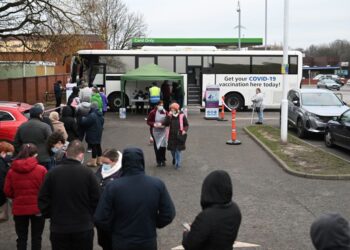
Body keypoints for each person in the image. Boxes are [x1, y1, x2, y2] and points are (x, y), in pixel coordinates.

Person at [94, 147, 176, 250]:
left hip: (121, 240)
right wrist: (154, 224)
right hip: (147, 240)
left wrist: (114, 229)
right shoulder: (157, 184)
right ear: (142, 161)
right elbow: (169, 214)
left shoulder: (113, 187)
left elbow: (100, 217)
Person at [38, 140, 100, 250]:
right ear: (81, 155)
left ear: (66, 153)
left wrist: (49, 214)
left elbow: (43, 197)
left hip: (59, 226)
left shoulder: (52, 173)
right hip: (83, 226)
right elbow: (97, 199)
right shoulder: (88, 174)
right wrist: (91, 218)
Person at [182, 170, 242, 250]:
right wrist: (197, 226)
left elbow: (189, 244)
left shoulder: (206, 216)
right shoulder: (235, 209)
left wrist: (186, 234)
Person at [4, 143, 47, 250]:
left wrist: (17, 196)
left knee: (21, 237)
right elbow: (47, 190)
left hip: (19, 209)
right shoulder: (41, 170)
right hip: (37, 208)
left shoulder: (11, 171)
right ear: (35, 155)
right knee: (37, 237)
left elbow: (7, 191)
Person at [94, 149, 123, 250]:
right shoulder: (101, 171)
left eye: (106, 163)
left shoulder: (121, 175)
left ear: (115, 161)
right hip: (102, 219)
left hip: (115, 220)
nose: (103, 165)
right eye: (102, 163)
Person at [163, 102, 189, 169]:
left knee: (178, 151)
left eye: (173, 109)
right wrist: (168, 116)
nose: (172, 110)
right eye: (171, 109)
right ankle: (174, 158)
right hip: (171, 136)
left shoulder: (182, 115)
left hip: (179, 136)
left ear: (177, 109)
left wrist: (184, 130)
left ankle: (178, 164)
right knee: (172, 151)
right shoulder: (169, 116)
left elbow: (186, 125)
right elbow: (165, 123)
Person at [80, 102, 104, 167]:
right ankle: (99, 160)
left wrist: (82, 118)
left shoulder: (92, 115)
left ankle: (93, 162)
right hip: (99, 132)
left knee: (93, 146)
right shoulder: (100, 114)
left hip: (92, 132)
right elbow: (102, 123)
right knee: (98, 145)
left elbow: (85, 123)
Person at [147, 101, 168, 167]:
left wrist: (164, 124)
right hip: (155, 131)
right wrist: (154, 124)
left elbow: (168, 120)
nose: (161, 106)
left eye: (162, 105)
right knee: (157, 147)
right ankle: (158, 161)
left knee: (163, 146)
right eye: (160, 105)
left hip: (163, 130)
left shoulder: (165, 112)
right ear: (157, 105)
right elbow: (148, 121)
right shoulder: (152, 112)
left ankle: (163, 160)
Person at [0, 142, 14, 222]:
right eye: (9, 153)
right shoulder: (1, 163)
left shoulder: (3, 162)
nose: (10, 156)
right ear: (3, 153)